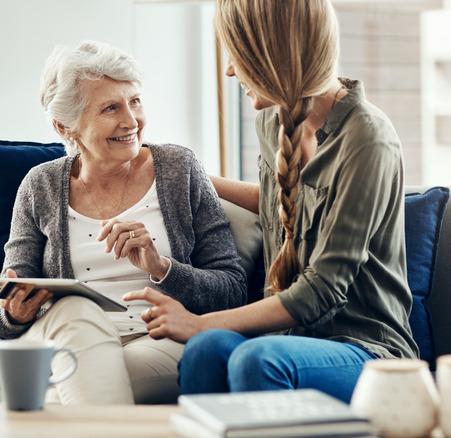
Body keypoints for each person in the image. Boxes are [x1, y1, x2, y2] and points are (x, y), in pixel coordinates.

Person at [124, 0, 418, 403]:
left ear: (275, 55)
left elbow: (321, 292)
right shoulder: (271, 119)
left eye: (238, 56)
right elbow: (281, 201)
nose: (229, 70)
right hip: (284, 340)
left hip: (367, 351)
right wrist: (193, 178)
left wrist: (199, 322)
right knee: (206, 351)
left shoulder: (368, 139)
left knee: (254, 359)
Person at [0, 40, 247, 405]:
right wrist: (13, 313)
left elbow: (233, 289)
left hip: (154, 341)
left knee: (70, 386)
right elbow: (2, 306)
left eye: (135, 101)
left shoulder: (179, 169)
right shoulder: (39, 186)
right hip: (61, 336)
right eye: (110, 108)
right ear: (66, 127)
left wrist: (162, 267)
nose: (131, 121)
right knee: (75, 311)